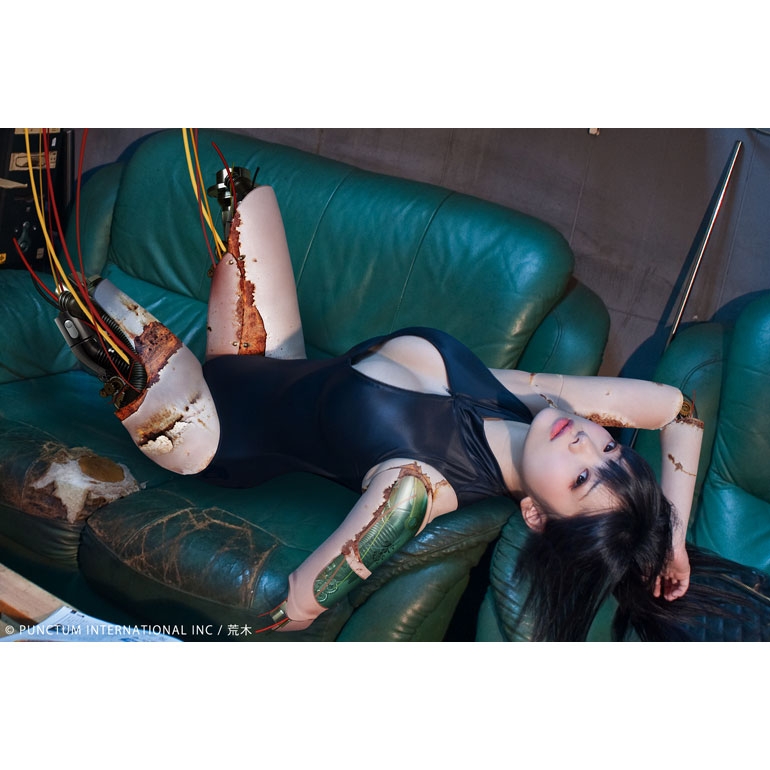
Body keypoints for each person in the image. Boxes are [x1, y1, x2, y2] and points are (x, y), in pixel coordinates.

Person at [56, 182, 708, 640]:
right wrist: (672, 539)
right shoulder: (538, 403)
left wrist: (220, 636)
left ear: (535, 515)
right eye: (611, 448)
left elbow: (302, 602)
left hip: (212, 433)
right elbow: (682, 411)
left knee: (78, 297)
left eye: (584, 478)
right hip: (265, 359)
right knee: (246, 192)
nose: (586, 444)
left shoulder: (416, 489)